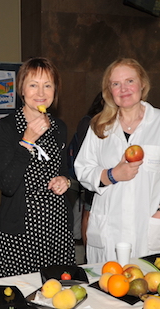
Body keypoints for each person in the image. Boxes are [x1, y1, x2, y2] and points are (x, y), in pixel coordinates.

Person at [74, 58, 160, 264]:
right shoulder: (100, 125)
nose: (123, 89)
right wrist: (111, 175)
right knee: (107, 288)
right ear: (109, 90)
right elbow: (83, 169)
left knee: (149, 287)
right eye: (116, 84)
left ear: (142, 84)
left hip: (148, 228)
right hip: (109, 229)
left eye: (130, 81)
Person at [0, 57, 76, 277]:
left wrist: (65, 181)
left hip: (56, 225)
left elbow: (65, 172)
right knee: (21, 296)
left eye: (47, 85)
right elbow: (7, 185)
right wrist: (27, 141)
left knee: (61, 291)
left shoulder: (59, 127)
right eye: (33, 84)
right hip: (22, 229)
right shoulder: (7, 127)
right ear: (21, 88)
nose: (41, 92)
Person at [71, 92, 105, 251]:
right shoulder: (89, 122)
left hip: (106, 175)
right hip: (91, 173)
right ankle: (87, 251)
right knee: (88, 210)